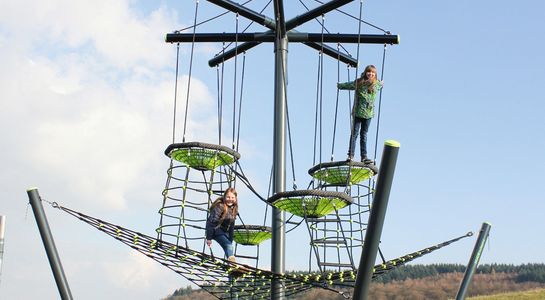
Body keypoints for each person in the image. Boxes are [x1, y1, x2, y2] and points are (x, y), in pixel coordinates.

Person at [337, 65, 383, 163]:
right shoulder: (359, 83)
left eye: (373, 73)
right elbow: (349, 85)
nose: (371, 74)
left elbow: (380, 85)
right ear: (366, 72)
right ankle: (351, 155)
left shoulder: (376, 84)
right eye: (369, 72)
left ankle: (364, 156)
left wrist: (382, 83)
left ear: (375, 75)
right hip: (358, 113)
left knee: (364, 135)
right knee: (354, 134)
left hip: (368, 114)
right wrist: (340, 85)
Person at [206, 187, 238, 262]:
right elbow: (211, 222)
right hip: (215, 230)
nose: (230, 199)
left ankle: (230, 263)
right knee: (228, 245)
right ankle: (232, 263)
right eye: (228, 197)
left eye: (232, 197)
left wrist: (230, 238)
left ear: (235, 198)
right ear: (224, 197)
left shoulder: (233, 209)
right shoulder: (220, 206)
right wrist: (209, 237)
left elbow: (231, 226)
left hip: (223, 232)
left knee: (228, 246)